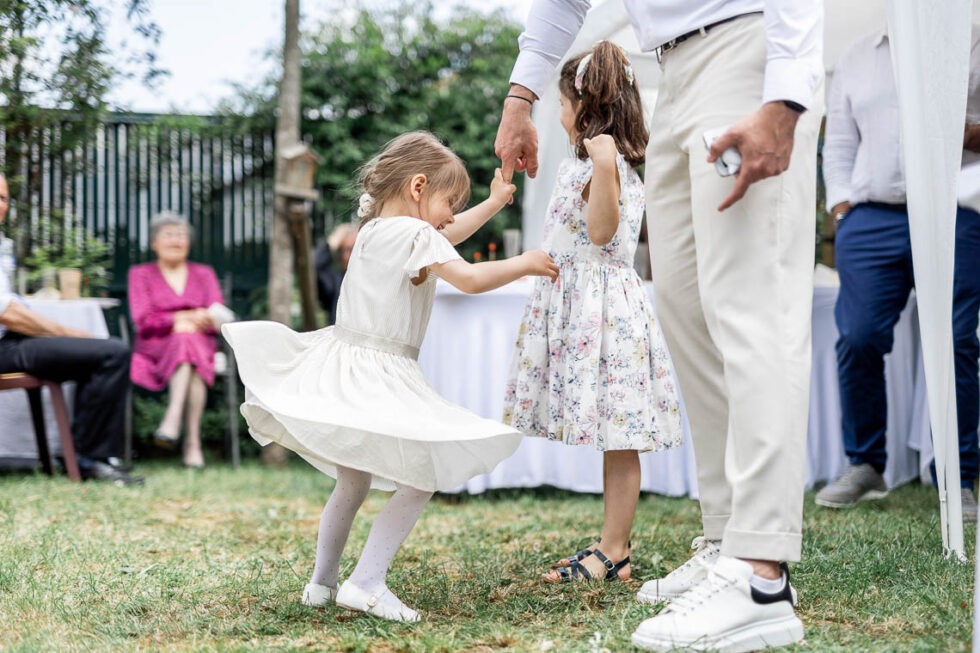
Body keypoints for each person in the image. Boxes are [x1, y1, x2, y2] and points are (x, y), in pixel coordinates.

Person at [496, 2, 823, 651]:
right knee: (687, 308)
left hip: (746, 44)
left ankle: (761, 573)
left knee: (751, 305)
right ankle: (726, 537)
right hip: (672, 67)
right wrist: (520, 94)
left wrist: (786, 92)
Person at [223, 131, 559, 622]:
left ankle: (322, 582)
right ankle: (366, 582)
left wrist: (490, 204)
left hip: (346, 360)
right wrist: (523, 263)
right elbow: (465, 278)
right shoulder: (417, 235)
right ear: (419, 186)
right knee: (421, 474)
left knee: (352, 480)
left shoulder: (376, 229)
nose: (450, 214)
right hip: (383, 368)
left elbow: (442, 233)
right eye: (449, 201)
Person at [502, 41, 683, 584]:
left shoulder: (612, 166)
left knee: (620, 432)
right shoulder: (580, 163)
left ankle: (614, 551)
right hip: (581, 307)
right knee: (612, 431)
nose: (557, 116)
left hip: (607, 316)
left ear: (584, 107)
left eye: (560, 104)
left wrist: (603, 168)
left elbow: (602, 233)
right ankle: (612, 543)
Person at [816, 28, 980, 522]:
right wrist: (843, 209)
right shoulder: (857, 55)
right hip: (872, 217)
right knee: (860, 337)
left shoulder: (971, 45)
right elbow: (839, 143)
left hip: (955, 213)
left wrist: (959, 125)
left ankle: (958, 475)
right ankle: (866, 464)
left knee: (954, 342)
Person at [0, 174, 141, 485]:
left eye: (5, 198)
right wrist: (71, 333)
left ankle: (88, 455)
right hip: (5, 347)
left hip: (9, 341)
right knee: (111, 352)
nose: (2, 205)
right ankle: (88, 458)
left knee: (102, 354)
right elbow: (8, 313)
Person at [128, 211, 228, 469]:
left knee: (187, 341)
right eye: (169, 235)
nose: (176, 241)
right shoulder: (140, 274)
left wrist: (195, 320)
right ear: (154, 243)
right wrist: (178, 319)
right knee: (185, 341)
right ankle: (192, 443)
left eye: (181, 235)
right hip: (155, 347)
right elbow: (143, 319)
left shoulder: (204, 273)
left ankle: (172, 422)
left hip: (200, 342)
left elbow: (217, 312)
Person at [313, 222, 358, 325]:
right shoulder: (336, 281)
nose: (346, 256)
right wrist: (331, 244)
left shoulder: (372, 278)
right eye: (341, 250)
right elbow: (314, 267)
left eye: (351, 249)